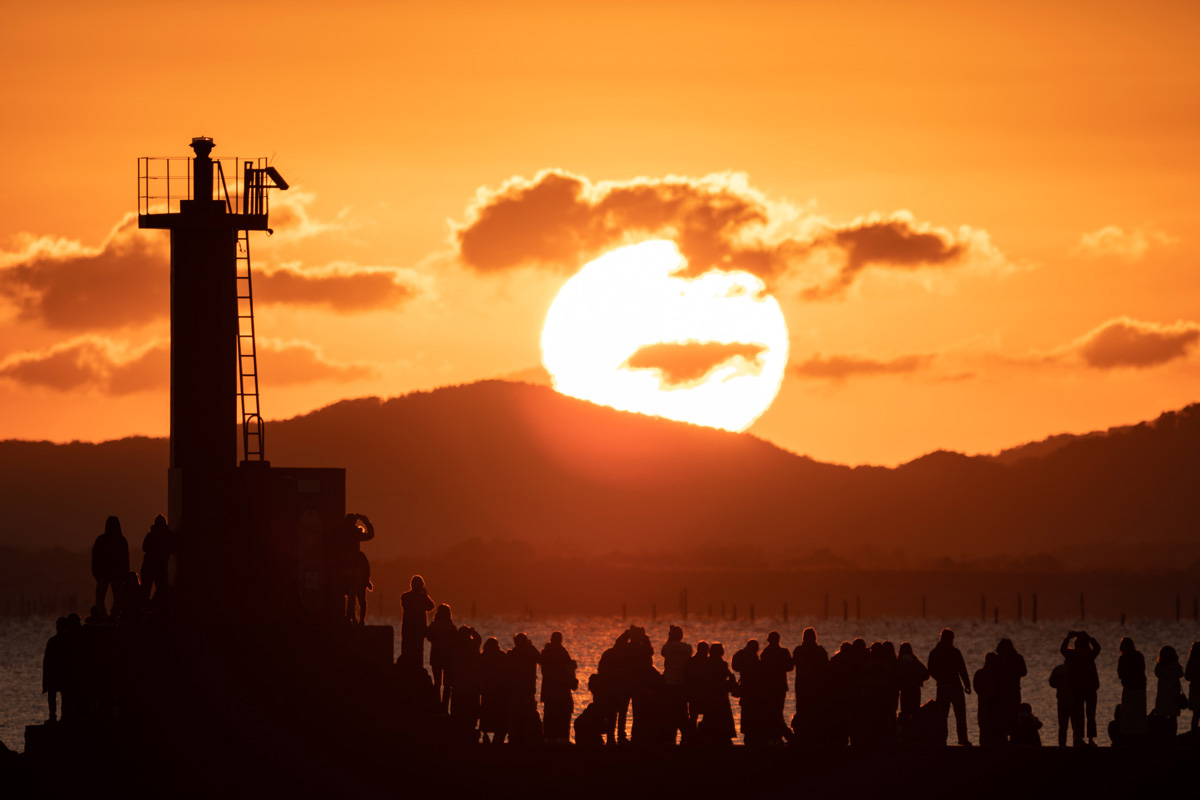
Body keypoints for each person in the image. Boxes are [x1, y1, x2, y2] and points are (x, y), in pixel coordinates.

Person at [928, 629, 971, 746]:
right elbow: (962, 669)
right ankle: (962, 739)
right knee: (959, 715)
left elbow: (931, 670)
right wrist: (967, 684)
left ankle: (942, 740)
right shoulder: (955, 652)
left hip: (942, 688)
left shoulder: (934, 653)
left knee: (942, 716)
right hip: (954, 687)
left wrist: (940, 678)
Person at [1060, 630, 1101, 745]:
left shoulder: (1074, 655)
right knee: (1091, 715)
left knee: (1079, 715)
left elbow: (1063, 650)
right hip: (1090, 689)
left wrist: (1068, 638)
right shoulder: (1090, 655)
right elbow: (1098, 647)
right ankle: (1091, 739)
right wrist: (1089, 637)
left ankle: (1078, 738)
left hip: (1078, 689)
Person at [792, 628, 829, 746]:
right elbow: (826, 668)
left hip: (802, 686)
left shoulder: (798, 651)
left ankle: (802, 736)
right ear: (815, 638)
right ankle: (815, 736)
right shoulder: (820, 651)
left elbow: (792, 664)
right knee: (815, 710)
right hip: (816, 687)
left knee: (802, 710)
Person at [540, 632, 578, 743]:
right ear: (560, 640)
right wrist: (573, 683)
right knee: (563, 716)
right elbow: (568, 672)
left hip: (549, 693)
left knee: (549, 715)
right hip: (562, 692)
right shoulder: (563, 654)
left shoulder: (545, 654)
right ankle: (563, 738)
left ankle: (548, 738)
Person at [506, 632, 542, 743]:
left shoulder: (512, 654)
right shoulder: (530, 654)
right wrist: (531, 646)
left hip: (514, 692)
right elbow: (540, 659)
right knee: (527, 718)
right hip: (527, 691)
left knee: (515, 718)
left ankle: (515, 740)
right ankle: (527, 740)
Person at [660, 625, 693, 743]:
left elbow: (663, 652)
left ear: (671, 636)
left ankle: (670, 740)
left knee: (670, 713)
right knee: (683, 713)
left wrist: (669, 638)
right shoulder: (688, 648)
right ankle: (686, 739)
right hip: (682, 685)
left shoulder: (667, 648)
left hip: (669, 685)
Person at [759, 631, 794, 743]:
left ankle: (778, 736)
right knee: (777, 712)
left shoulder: (765, 653)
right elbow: (790, 667)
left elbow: (763, 670)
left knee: (773, 712)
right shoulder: (783, 652)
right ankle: (784, 736)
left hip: (769, 688)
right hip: (779, 687)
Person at [91, 516, 129, 616]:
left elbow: (94, 557)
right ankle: (113, 613)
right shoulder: (121, 540)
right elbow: (126, 559)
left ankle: (103, 613)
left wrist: (95, 571)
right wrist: (126, 575)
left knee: (101, 596)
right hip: (114, 572)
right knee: (116, 596)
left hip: (107, 572)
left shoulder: (101, 540)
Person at [993, 639, 1027, 742]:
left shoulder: (1004, 659)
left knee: (1009, 716)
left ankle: (1011, 739)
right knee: (1008, 717)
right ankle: (1009, 739)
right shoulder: (1016, 658)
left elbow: (1023, 672)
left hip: (1008, 692)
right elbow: (1024, 672)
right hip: (1005, 692)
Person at [426, 604, 457, 712]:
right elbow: (455, 640)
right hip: (448, 658)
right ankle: (444, 707)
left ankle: (437, 707)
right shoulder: (451, 626)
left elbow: (428, 636)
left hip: (436, 657)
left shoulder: (434, 626)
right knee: (447, 685)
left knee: (437, 683)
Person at [399, 575, 434, 668]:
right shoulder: (406, 597)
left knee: (418, 655)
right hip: (411, 631)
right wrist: (423, 596)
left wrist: (425, 596)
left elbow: (431, 606)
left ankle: (416, 672)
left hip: (417, 631)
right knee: (409, 654)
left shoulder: (417, 597)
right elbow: (419, 606)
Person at [139, 514, 172, 609]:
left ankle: (146, 608)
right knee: (161, 591)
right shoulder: (168, 536)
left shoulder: (150, 535)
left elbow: (144, 547)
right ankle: (155, 608)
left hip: (148, 566)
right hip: (160, 567)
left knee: (146, 591)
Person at [1117, 637, 1148, 739]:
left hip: (1136, 688)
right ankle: (1133, 735)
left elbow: (1121, 673)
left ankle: (1135, 734)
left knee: (1135, 712)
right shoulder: (1137, 656)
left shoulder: (1127, 658)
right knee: (1131, 712)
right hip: (1132, 688)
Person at [1152, 645, 1185, 739]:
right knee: (1173, 718)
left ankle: (1163, 736)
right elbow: (1181, 674)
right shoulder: (1175, 666)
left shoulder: (1159, 667)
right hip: (1173, 696)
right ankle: (1172, 736)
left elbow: (1157, 673)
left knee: (1162, 718)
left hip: (1162, 697)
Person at [479, 637, 507, 743]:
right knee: (499, 713)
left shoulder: (483, 656)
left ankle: (485, 734)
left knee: (486, 711)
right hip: (500, 690)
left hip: (487, 689)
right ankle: (498, 735)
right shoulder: (502, 655)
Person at [1050, 652, 1082, 746]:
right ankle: (1076, 745)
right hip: (1075, 702)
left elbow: (1052, 683)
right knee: (1075, 726)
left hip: (1062, 701)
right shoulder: (1078, 670)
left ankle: (1062, 746)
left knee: (1063, 727)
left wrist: (1060, 685)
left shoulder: (1058, 669)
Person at [895, 642, 929, 731]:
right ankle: (915, 734)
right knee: (915, 713)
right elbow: (926, 674)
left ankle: (907, 735)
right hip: (915, 689)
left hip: (905, 690)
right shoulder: (915, 660)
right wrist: (918, 680)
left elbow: (897, 677)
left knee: (905, 714)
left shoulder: (900, 661)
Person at [43, 617, 68, 723]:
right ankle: (63, 717)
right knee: (64, 696)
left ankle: (53, 716)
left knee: (52, 696)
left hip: (54, 674)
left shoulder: (52, 641)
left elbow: (46, 662)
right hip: (63, 674)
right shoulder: (67, 642)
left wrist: (44, 681)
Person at [973, 652, 1001, 746]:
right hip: (991, 704)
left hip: (985, 703)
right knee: (991, 726)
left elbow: (976, 687)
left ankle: (985, 746)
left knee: (985, 727)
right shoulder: (997, 674)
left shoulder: (980, 673)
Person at [1185, 642, 1200, 734]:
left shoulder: (1191, 661)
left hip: (1195, 690)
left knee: (1196, 714)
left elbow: (1187, 676)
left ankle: (1193, 734)